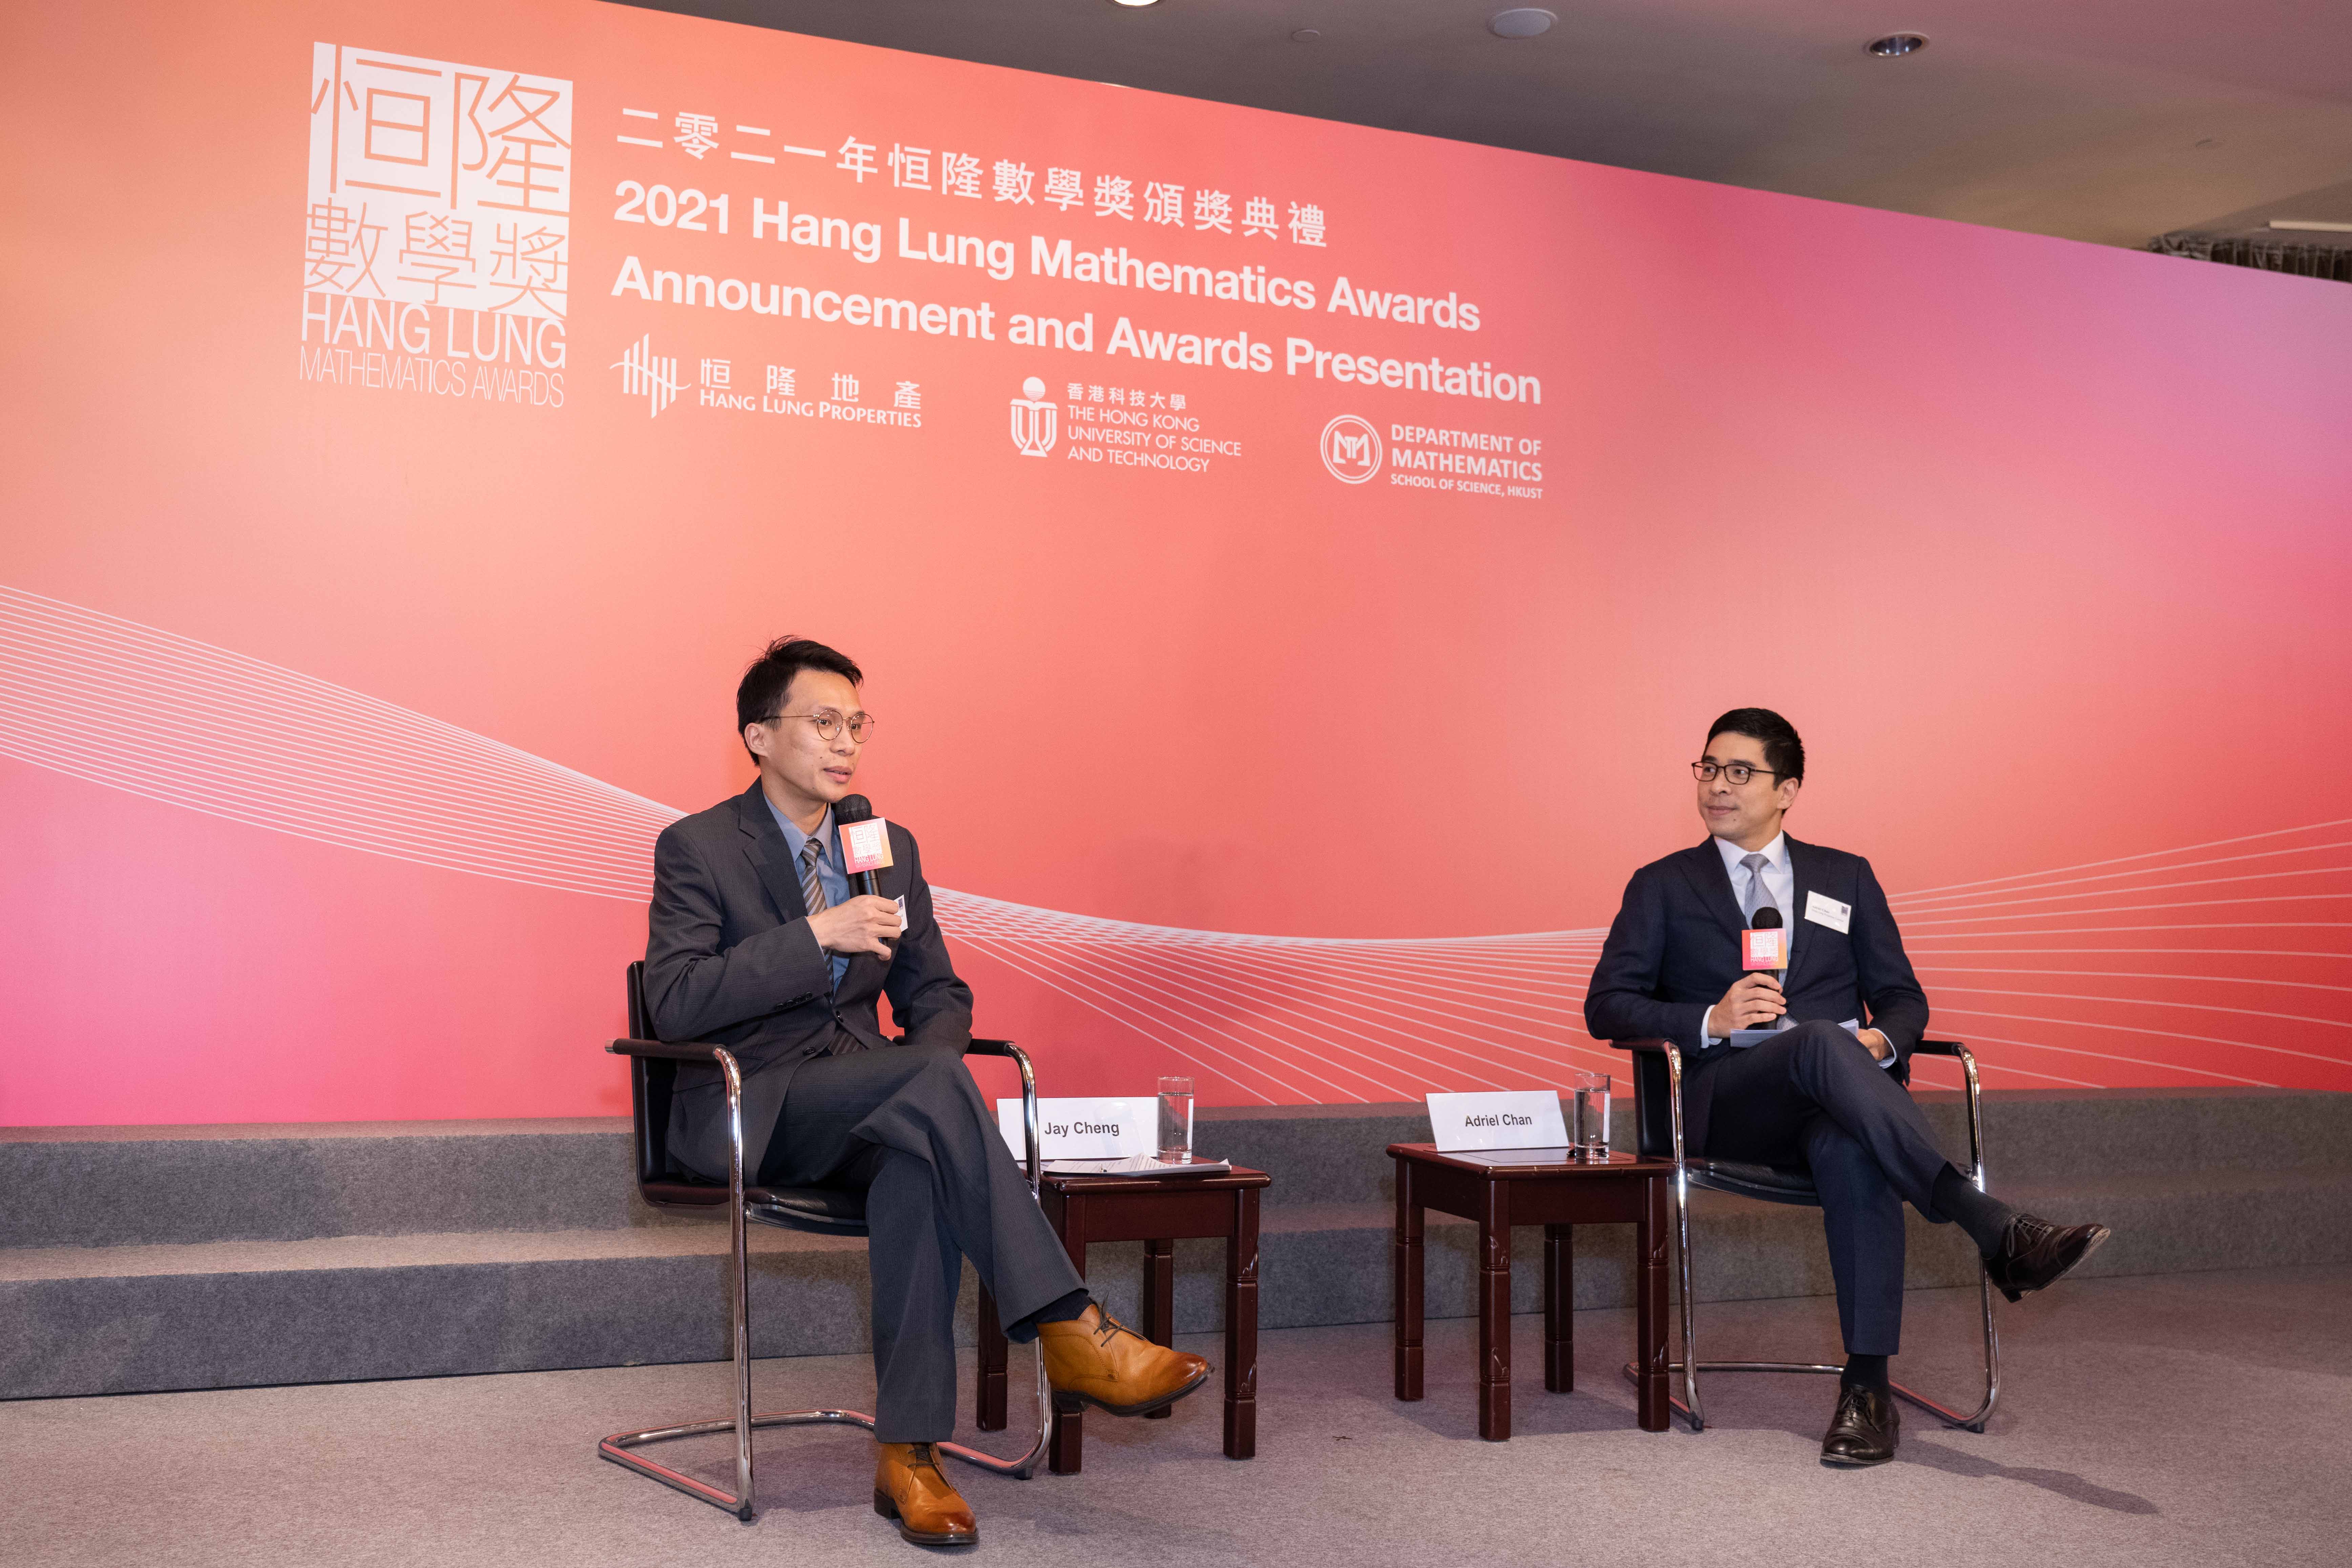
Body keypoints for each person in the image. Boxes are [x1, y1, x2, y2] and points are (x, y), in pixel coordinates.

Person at [644, 636, 1209, 1546]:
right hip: (755, 1107)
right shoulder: (699, 846)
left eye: (857, 723)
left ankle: (908, 1453)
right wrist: (816, 935)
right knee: (929, 1096)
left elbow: (937, 994)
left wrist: (926, 1072)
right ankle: (1069, 1324)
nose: (846, 743)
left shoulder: (884, 845)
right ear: (759, 735)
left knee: (918, 1160)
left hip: (870, 1102)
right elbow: (675, 1001)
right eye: (823, 721)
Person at [1584, 707, 2111, 1467]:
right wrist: (1708, 1017)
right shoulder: (1662, 884)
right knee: (1820, 1041)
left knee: (1851, 1142)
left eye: (1740, 772)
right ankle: (1989, 1223)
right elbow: (1607, 1004)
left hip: (1834, 1101)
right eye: (1708, 768)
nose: (1718, 785)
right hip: (1724, 1100)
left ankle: (1867, 1391)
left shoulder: (1846, 876)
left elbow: (1901, 998)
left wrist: (1880, 1041)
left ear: (1787, 789)